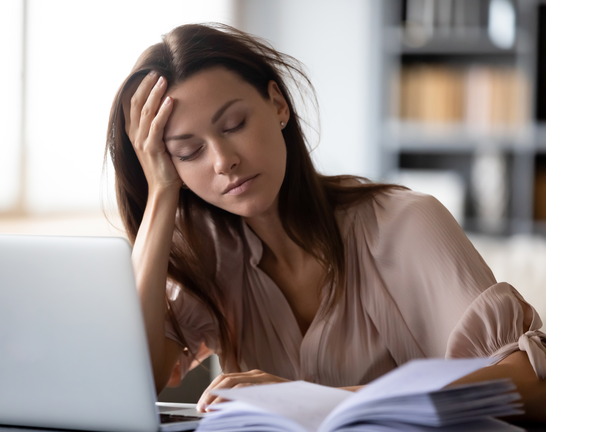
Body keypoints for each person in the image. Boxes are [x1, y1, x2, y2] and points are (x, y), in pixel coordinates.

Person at [105, 23, 545, 422]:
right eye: (187, 152)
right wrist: (162, 194)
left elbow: (535, 384)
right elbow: (134, 381)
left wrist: (319, 399)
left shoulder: (405, 225)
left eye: (234, 124)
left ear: (278, 104)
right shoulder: (214, 252)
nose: (224, 162)